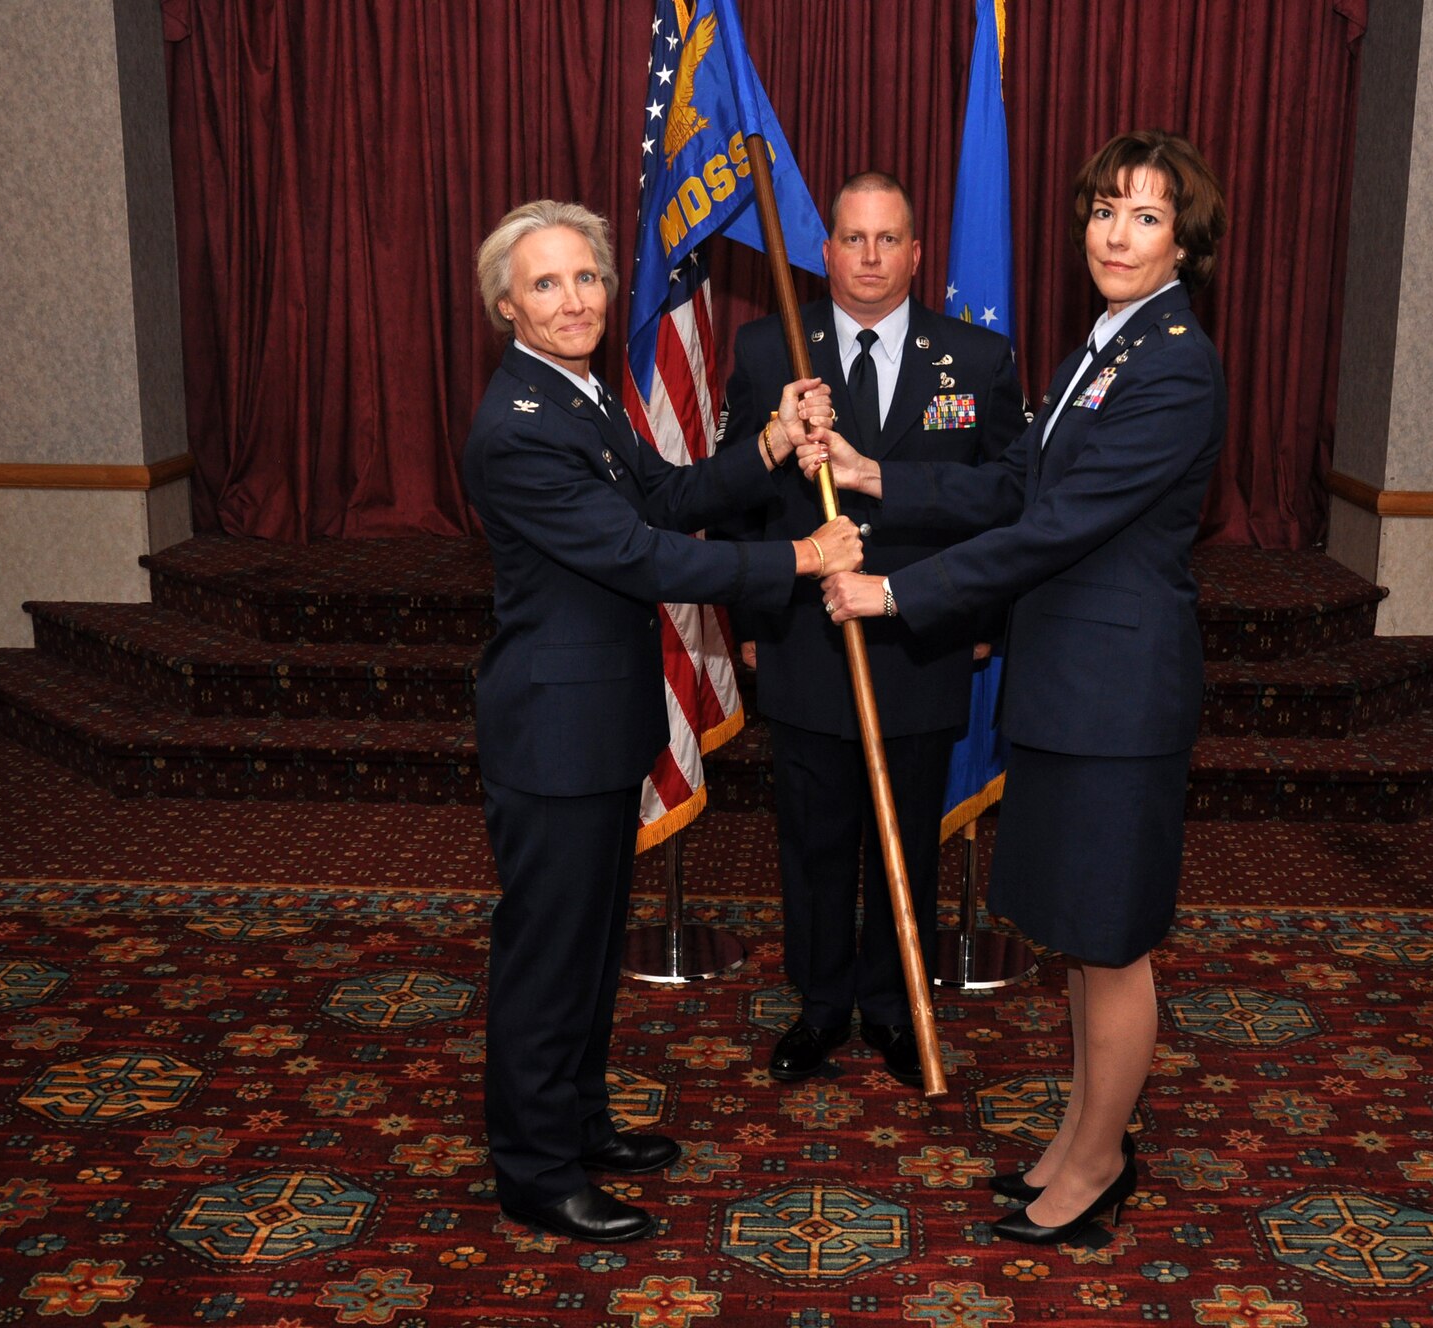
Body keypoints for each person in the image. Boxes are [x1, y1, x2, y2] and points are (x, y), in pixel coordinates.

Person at [803, 130, 1228, 1245]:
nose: (1115, 233)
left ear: (1183, 238)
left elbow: (1055, 527)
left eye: (1143, 215)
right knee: (1081, 936)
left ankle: (1096, 1161)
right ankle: (1083, 1134)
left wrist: (897, 596)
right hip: (1069, 679)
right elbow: (1014, 484)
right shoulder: (1107, 342)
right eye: (1102, 210)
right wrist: (876, 472)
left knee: (1112, 938)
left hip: (1115, 696)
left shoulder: (1173, 360)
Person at [461, 200, 860, 1244]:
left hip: (595, 719)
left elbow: (671, 494)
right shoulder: (518, 427)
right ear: (505, 303)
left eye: (586, 277)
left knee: (590, 945)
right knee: (548, 953)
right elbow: (642, 554)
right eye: (544, 284)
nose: (573, 299)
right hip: (551, 731)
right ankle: (535, 1168)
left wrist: (770, 441)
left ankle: (577, 1119)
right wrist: (798, 559)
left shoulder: (584, 396)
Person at [720, 172, 1026, 1087]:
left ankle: (894, 1006)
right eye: (853, 239)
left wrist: (981, 617)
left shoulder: (978, 360)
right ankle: (819, 1005)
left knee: (912, 840)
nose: (869, 258)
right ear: (826, 251)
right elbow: (739, 494)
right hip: (807, 636)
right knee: (813, 838)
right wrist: (750, 619)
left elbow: (1007, 504)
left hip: (925, 633)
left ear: (917, 254)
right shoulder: (770, 342)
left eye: (888, 240)